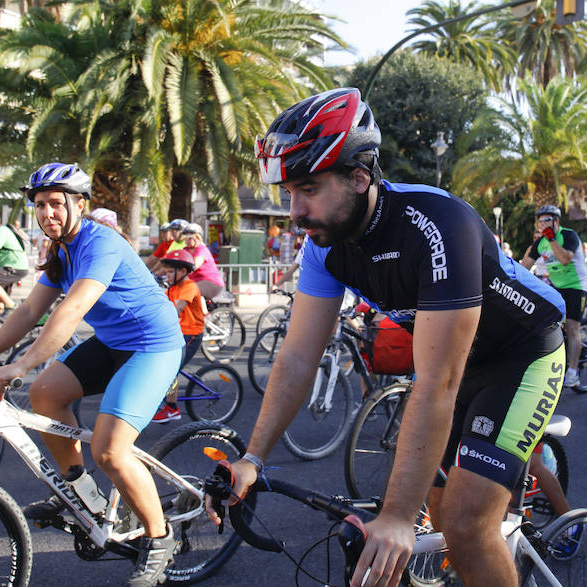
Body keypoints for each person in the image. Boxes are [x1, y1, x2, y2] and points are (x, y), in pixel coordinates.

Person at [206, 88, 567, 587]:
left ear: (359, 177)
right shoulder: (323, 247)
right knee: (441, 516)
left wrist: (398, 515)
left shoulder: (438, 224)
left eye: (308, 188)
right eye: (288, 193)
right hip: (458, 365)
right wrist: (252, 458)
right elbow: (295, 360)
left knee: (465, 526)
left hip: (522, 355)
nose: (294, 212)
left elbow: (437, 382)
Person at [0, 162, 184, 586]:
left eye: (56, 204)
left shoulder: (101, 243)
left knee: (111, 450)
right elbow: (28, 310)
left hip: (153, 345)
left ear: (79, 204)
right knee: (44, 394)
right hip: (112, 342)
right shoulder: (61, 249)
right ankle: (82, 495)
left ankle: (159, 538)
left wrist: (20, 363)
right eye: (39, 205)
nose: (46, 214)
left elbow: (72, 309)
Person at [520, 205, 587, 389]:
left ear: (556, 222)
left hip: (577, 285)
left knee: (572, 327)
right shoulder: (540, 242)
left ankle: (573, 372)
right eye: (540, 220)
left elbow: (565, 258)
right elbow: (525, 266)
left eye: (547, 220)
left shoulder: (569, 236)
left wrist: (552, 239)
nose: (542, 224)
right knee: (545, 321)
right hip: (557, 286)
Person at [152, 249, 205, 423]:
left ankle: (172, 408)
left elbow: (176, 309)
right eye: (165, 271)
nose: (166, 275)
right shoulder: (172, 288)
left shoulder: (189, 287)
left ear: (182, 271)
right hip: (176, 333)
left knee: (171, 367)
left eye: (169, 272)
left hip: (190, 333)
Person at [181, 222, 226, 300]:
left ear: (197, 237)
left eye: (190, 237)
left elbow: (194, 266)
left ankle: (203, 312)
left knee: (189, 292)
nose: (187, 239)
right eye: (186, 237)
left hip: (211, 283)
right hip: (194, 282)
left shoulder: (201, 250)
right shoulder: (185, 250)